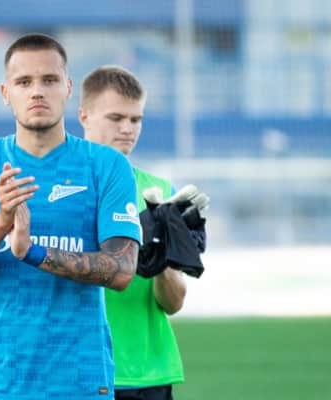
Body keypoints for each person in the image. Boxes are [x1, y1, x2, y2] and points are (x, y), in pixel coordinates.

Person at [0, 34, 141, 400]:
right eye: (23, 82)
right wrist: (1, 220)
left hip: (76, 383)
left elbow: (122, 270)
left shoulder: (106, 166)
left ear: (68, 88)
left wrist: (32, 251)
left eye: (49, 80)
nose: (37, 92)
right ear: (5, 93)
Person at [80, 66, 188, 400]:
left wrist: (161, 262)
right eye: (116, 118)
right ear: (84, 116)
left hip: (149, 374)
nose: (127, 129)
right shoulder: (58, 188)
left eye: (136, 119)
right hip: (77, 372)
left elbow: (173, 303)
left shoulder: (162, 194)